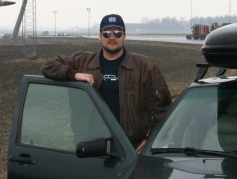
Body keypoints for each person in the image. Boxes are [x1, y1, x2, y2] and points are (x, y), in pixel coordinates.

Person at [41, 13, 172, 152]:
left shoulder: (144, 66)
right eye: (107, 33)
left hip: (130, 147)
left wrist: (151, 139)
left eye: (117, 33)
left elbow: (162, 109)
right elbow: (48, 66)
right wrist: (74, 74)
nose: (112, 37)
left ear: (124, 36)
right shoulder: (83, 61)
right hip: (90, 145)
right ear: (100, 36)